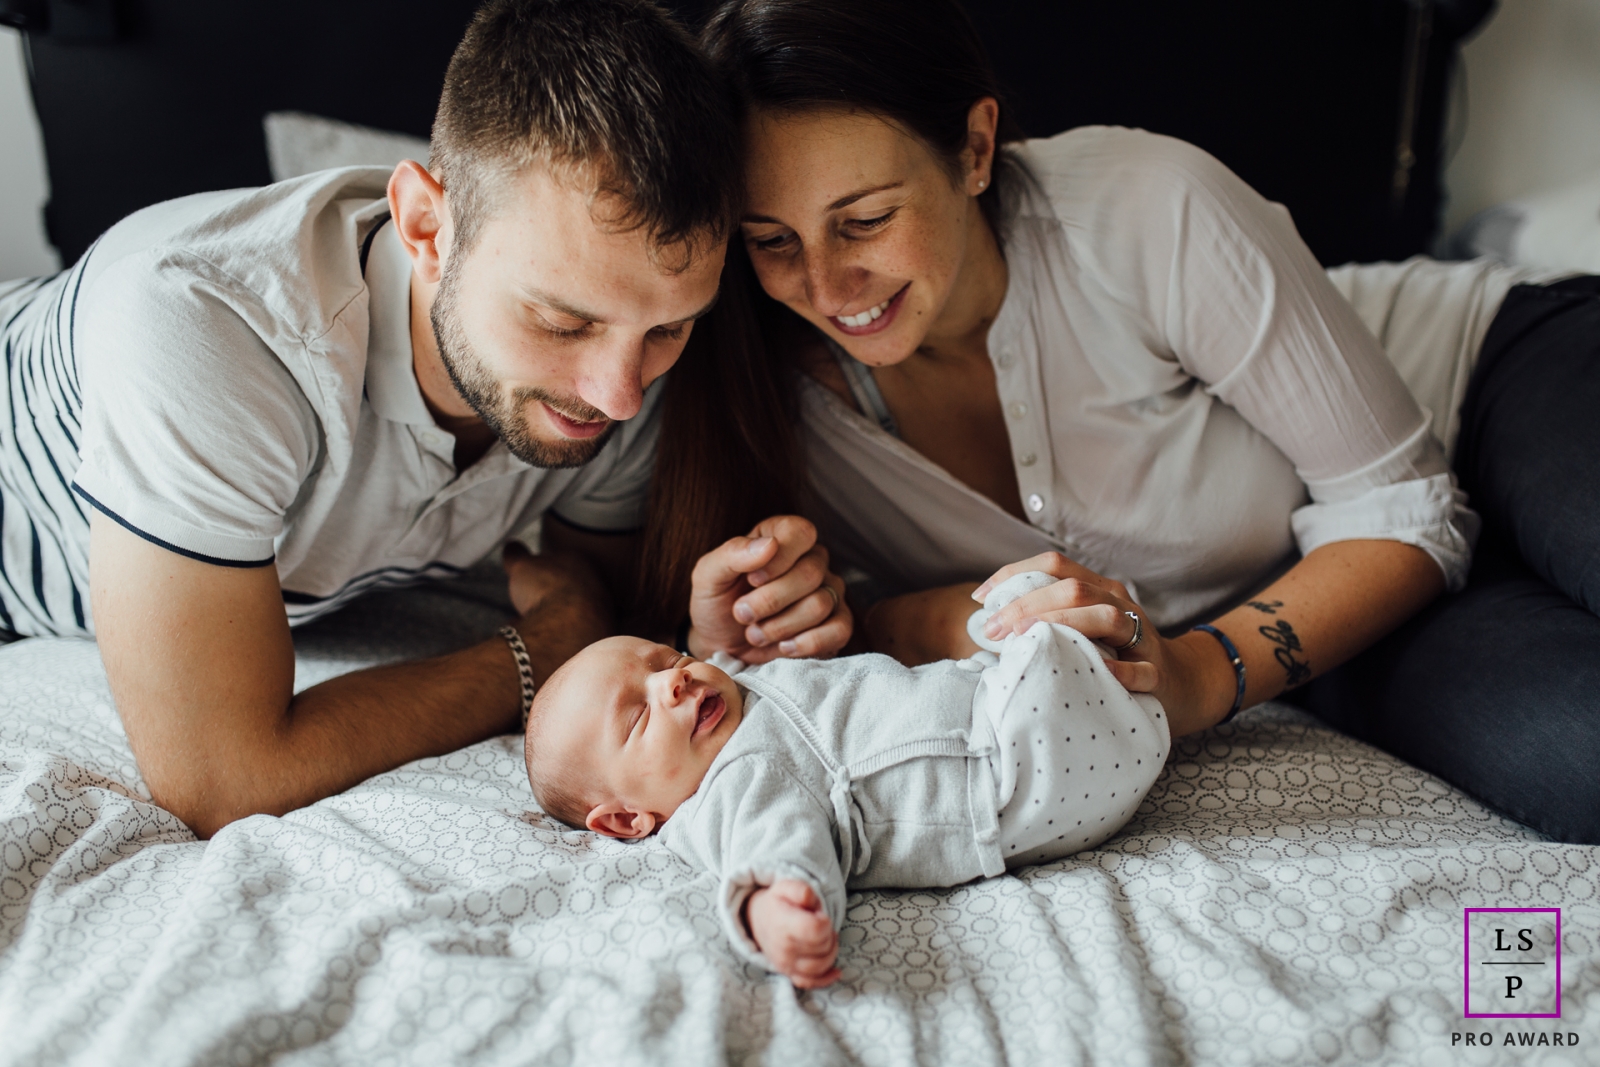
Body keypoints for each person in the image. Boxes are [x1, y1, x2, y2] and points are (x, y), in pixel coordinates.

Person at [697, 0, 1600, 843]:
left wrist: (1201, 675)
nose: (823, 286)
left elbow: (1401, 502)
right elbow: (839, 638)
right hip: (1345, 591)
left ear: (974, 149)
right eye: (773, 241)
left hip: (1490, 380)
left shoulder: (1139, 207)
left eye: (864, 220)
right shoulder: (769, 402)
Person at [0, 0, 848, 839]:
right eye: (561, 322)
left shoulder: (626, 366)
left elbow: (600, 613)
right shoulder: (205, 329)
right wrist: (531, 652)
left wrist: (707, 637)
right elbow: (220, 778)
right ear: (427, 228)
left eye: (668, 328)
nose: (620, 395)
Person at [524, 572, 1170, 987]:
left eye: (667, 659)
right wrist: (773, 905)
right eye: (639, 716)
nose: (673, 681)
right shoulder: (735, 783)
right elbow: (772, 845)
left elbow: (723, 653)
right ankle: (1095, 672)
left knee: (1030, 593)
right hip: (1001, 778)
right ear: (627, 818)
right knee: (1039, 638)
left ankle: (1095, 661)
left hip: (994, 702)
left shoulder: (730, 689)